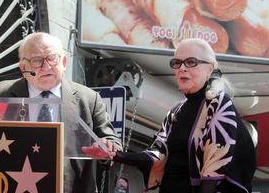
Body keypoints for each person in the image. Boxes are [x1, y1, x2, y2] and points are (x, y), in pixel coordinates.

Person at [84, 38, 256, 193]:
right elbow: (157, 155)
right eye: (177, 62)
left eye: (191, 62)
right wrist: (114, 154)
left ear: (210, 68)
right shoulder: (176, 111)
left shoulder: (217, 103)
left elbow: (216, 166)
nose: (182, 68)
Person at [0, 32, 122, 193]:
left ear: (63, 62)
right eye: (37, 60)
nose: (46, 66)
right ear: (23, 67)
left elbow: (112, 142)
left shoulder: (89, 100)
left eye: (52, 58)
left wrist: (107, 148)